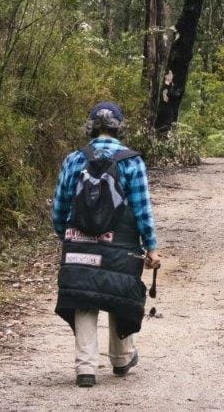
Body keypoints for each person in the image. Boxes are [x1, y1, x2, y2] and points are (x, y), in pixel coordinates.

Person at [51, 102, 161, 387]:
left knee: (83, 296)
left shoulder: (74, 159)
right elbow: (142, 208)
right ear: (118, 127)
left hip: (79, 241)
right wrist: (151, 246)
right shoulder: (131, 160)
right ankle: (121, 358)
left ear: (91, 127)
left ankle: (85, 368)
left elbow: (60, 205)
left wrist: (66, 234)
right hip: (120, 242)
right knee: (117, 293)